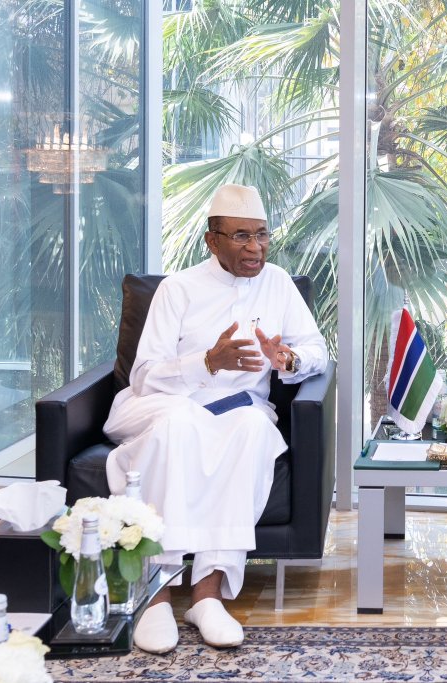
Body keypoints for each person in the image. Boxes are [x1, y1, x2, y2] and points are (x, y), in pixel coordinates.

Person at [103, 184, 328, 654]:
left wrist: (286, 359)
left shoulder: (279, 283)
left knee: (251, 430)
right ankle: (156, 593)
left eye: (263, 236)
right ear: (213, 241)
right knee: (178, 427)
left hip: (240, 409)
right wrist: (208, 361)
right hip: (168, 403)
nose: (256, 248)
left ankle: (207, 594)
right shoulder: (177, 289)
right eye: (242, 236)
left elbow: (318, 353)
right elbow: (144, 375)